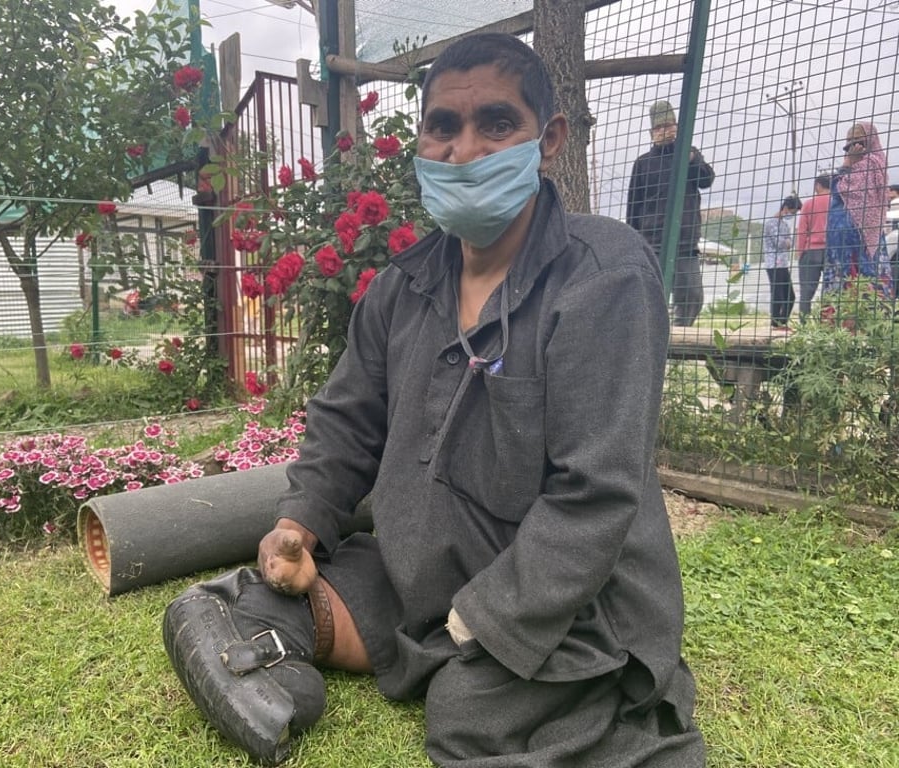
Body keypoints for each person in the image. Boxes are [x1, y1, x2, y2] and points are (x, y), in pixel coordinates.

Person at [163, 33, 705, 768]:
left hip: (571, 596)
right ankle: (398, 645)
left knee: (467, 720)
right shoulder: (401, 286)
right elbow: (347, 421)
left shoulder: (604, 276)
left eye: (496, 124)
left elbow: (597, 495)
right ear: (421, 140)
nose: (465, 149)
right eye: (444, 126)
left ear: (547, 139)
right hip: (424, 568)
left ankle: (462, 654)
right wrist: (301, 524)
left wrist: (482, 618)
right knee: (252, 600)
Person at [626, 99, 715, 327]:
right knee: (650, 298)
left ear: (677, 126)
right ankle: (653, 337)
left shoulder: (690, 154)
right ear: (651, 132)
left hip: (686, 241)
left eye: (669, 125)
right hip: (652, 242)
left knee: (693, 296)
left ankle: (677, 336)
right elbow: (633, 205)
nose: (665, 131)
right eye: (659, 127)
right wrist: (634, 240)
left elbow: (706, 179)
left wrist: (691, 158)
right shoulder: (643, 163)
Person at [823, 122, 891, 298]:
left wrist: (849, 164)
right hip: (840, 236)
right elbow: (836, 192)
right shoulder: (849, 165)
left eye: (858, 140)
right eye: (849, 140)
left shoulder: (874, 163)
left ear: (870, 140)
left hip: (864, 237)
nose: (853, 144)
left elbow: (842, 190)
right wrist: (848, 164)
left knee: (867, 282)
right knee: (841, 282)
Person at [763, 196, 802, 330]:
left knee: (790, 296)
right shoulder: (771, 223)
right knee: (778, 295)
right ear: (785, 208)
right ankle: (775, 324)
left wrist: (787, 242)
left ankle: (782, 322)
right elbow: (780, 243)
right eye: (792, 212)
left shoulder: (784, 225)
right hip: (773, 264)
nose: (792, 215)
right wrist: (787, 242)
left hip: (783, 263)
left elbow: (789, 243)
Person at [795, 177, 831, 321]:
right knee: (830, 289)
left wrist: (800, 251)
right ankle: (827, 322)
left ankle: (804, 324)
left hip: (811, 249)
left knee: (807, 291)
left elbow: (802, 230)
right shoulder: (837, 202)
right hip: (832, 250)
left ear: (818, 185)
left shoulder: (809, 204)